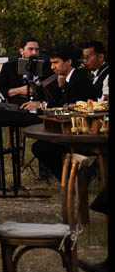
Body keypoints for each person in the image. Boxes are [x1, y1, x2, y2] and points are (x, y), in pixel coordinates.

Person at [29, 46, 96, 179]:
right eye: (51, 63)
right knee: (41, 145)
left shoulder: (79, 79)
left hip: (82, 130)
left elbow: (70, 107)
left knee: (41, 147)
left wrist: (45, 105)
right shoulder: (69, 78)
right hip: (73, 127)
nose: (52, 67)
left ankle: (73, 179)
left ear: (68, 62)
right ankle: (75, 177)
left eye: (56, 62)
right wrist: (62, 88)